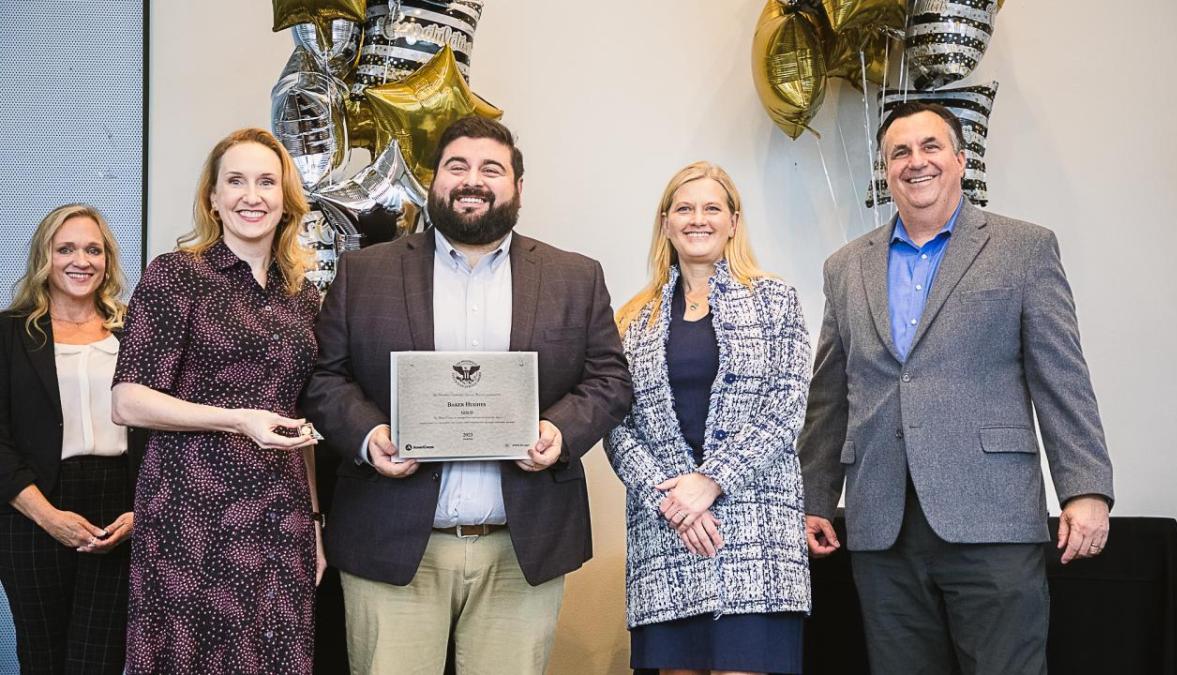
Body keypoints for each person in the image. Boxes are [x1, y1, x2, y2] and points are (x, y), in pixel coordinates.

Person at [301, 115, 632, 675]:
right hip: (391, 540)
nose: (472, 180)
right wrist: (368, 437)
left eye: (490, 169)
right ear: (434, 182)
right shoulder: (365, 273)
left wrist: (559, 432)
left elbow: (609, 379)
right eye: (457, 166)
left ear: (518, 188)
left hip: (520, 547)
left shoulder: (574, 277)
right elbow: (323, 378)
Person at [798, 101, 1114, 675]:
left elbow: (1062, 376)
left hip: (991, 515)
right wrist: (815, 496)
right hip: (882, 523)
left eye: (930, 147)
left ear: (961, 160)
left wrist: (1085, 487)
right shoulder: (846, 267)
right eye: (900, 152)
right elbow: (831, 394)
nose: (915, 162)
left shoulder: (1023, 248)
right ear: (885, 169)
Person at [111, 128, 325, 673]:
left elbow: (297, 420)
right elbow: (128, 401)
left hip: (281, 514)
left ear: (285, 199)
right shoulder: (177, 275)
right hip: (191, 511)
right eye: (235, 181)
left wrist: (316, 523)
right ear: (213, 197)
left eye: (266, 182)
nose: (251, 195)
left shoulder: (302, 294)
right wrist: (237, 420)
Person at [606, 161, 812, 675]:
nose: (698, 219)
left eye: (712, 208)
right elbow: (614, 422)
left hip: (755, 531)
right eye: (684, 208)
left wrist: (713, 481)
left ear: (733, 221)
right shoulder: (633, 317)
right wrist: (675, 499)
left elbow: (786, 407)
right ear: (666, 222)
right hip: (666, 532)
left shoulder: (775, 300)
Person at [0, 204, 144, 674]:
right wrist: (47, 516)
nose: (80, 260)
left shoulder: (134, 332)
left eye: (92, 249)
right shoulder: (9, 334)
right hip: (33, 508)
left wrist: (140, 510)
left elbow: (159, 431)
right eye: (66, 249)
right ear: (45, 256)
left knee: (99, 663)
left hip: (118, 507)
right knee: (42, 660)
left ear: (107, 260)